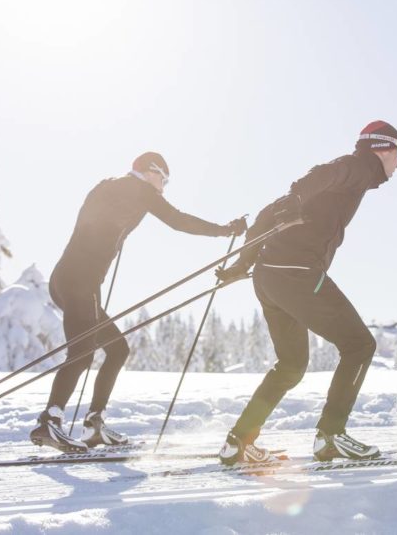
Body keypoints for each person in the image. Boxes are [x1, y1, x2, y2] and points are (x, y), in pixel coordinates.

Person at [215, 121, 397, 464]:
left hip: (268, 277)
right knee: (360, 345)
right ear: (383, 148)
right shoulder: (360, 166)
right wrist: (296, 196)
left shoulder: (348, 177)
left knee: (290, 365)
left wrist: (242, 266)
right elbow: (321, 174)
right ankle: (331, 436)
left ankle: (238, 442)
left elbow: (264, 216)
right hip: (298, 273)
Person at [31, 151, 247, 452]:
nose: (163, 187)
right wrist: (225, 230)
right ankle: (49, 422)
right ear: (150, 171)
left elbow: (91, 219)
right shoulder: (140, 190)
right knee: (82, 352)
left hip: (64, 279)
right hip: (81, 280)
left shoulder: (108, 185)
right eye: (164, 179)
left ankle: (94, 424)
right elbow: (178, 221)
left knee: (117, 349)